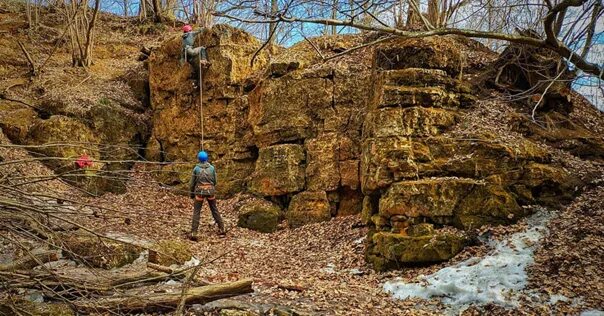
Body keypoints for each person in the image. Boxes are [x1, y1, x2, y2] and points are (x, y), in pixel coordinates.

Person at [189, 150, 225, 240]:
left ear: (198, 159)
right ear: (207, 158)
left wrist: (192, 194)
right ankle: (222, 228)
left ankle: (194, 232)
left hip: (199, 192)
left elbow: (192, 184)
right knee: (214, 209)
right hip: (210, 191)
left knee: (197, 211)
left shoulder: (196, 169)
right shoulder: (212, 168)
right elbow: (215, 181)